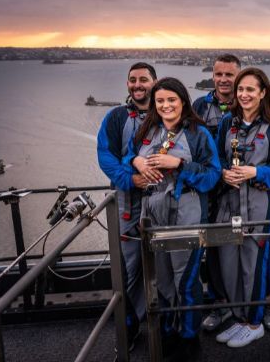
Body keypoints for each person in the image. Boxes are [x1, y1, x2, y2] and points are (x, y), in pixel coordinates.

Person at [125, 77, 221, 359]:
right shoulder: (147, 131)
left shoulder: (198, 134)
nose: (166, 105)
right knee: (163, 279)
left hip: (186, 214)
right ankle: (170, 329)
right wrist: (136, 161)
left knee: (185, 280)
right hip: (154, 216)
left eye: (171, 100)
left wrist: (178, 164)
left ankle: (189, 336)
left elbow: (212, 175)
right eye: (160, 101)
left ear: (182, 102)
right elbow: (128, 156)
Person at [213, 67, 270, 349]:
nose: (244, 94)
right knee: (229, 265)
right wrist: (223, 173)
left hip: (258, 207)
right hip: (228, 206)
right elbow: (217, 161)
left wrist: (255, 173)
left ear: (262, 93)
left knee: (253, 266)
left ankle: (255, 323)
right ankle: (239, 317)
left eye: (250, 89)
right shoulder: (227, 124)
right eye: (240, 90)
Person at [96, 61, 157, 350]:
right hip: (127, 202)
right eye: (132, 80)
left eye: (143, 79)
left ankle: (166, 325)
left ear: (154, 83)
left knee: (166, 263)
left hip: (162, 200)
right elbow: (105, 156)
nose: (137, 85)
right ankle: (132, 325)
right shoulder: (116, 117)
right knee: (130, 267)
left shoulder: (167, 113)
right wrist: (131, 180)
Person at [192, 54, 245, 332]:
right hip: (211, 191)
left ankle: (263, 302)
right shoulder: (200, 106)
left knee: (249, 245)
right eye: (219, 74)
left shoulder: (248, 102)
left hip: (241, 189)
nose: (224, 80)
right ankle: (220, 302)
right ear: (213, 76)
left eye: (230, 74)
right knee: (212, 247)